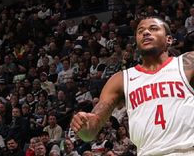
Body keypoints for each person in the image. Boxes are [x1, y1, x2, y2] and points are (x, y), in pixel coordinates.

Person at [70, 17, 194, 156]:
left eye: (153, 28)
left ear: (169, 39)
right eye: (140, 31)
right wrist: (85, 126)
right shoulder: (121, 79)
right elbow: (91, 130)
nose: (146, 32)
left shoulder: (187, 63)